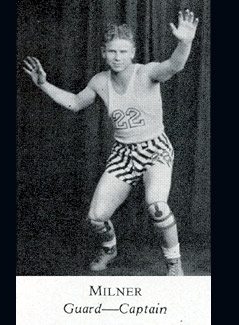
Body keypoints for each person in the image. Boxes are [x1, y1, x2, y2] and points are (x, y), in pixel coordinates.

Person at [23, 9, 198, 276]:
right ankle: (109, 249)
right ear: (104, 53)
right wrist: (44, 85)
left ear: (133, 53)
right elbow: (74, 103)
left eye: (123, 52)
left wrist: (184, 42)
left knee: (158, 206)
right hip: (123, 154)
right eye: (112, 52)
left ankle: (174, 263)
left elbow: (174, 65)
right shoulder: (99, 81)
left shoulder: (147, 73)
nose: (117, 57)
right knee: (96, 216)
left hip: (155, 149)